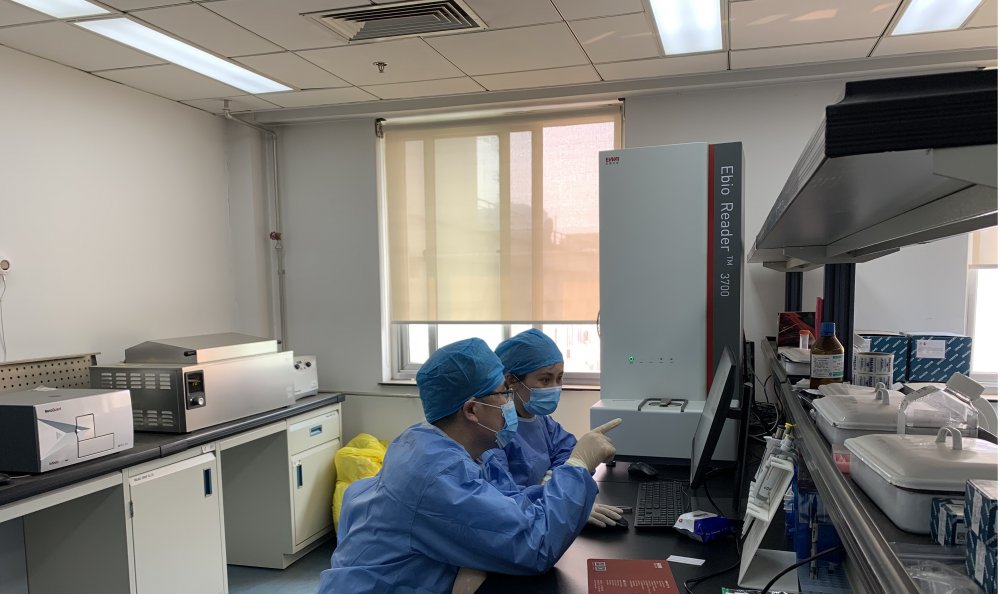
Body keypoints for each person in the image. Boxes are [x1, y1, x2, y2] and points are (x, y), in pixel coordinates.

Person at [317, 338, 621, 594]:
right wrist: (577, 467)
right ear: (473, 410)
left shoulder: (450, 445)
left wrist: (562, 503)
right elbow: (534, 547)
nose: (510, 402)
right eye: (503, 393)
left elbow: (507, 504)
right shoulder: (436, 472)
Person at [484, 328, 626, 529]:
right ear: (512, 381)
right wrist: (564, 501)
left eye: (559, 378)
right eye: (545, 379)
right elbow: (505, 500)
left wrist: (552, 482)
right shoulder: (494, 430)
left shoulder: (541, 421)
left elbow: (568, 452)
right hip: (526, 524)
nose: (555, 387)